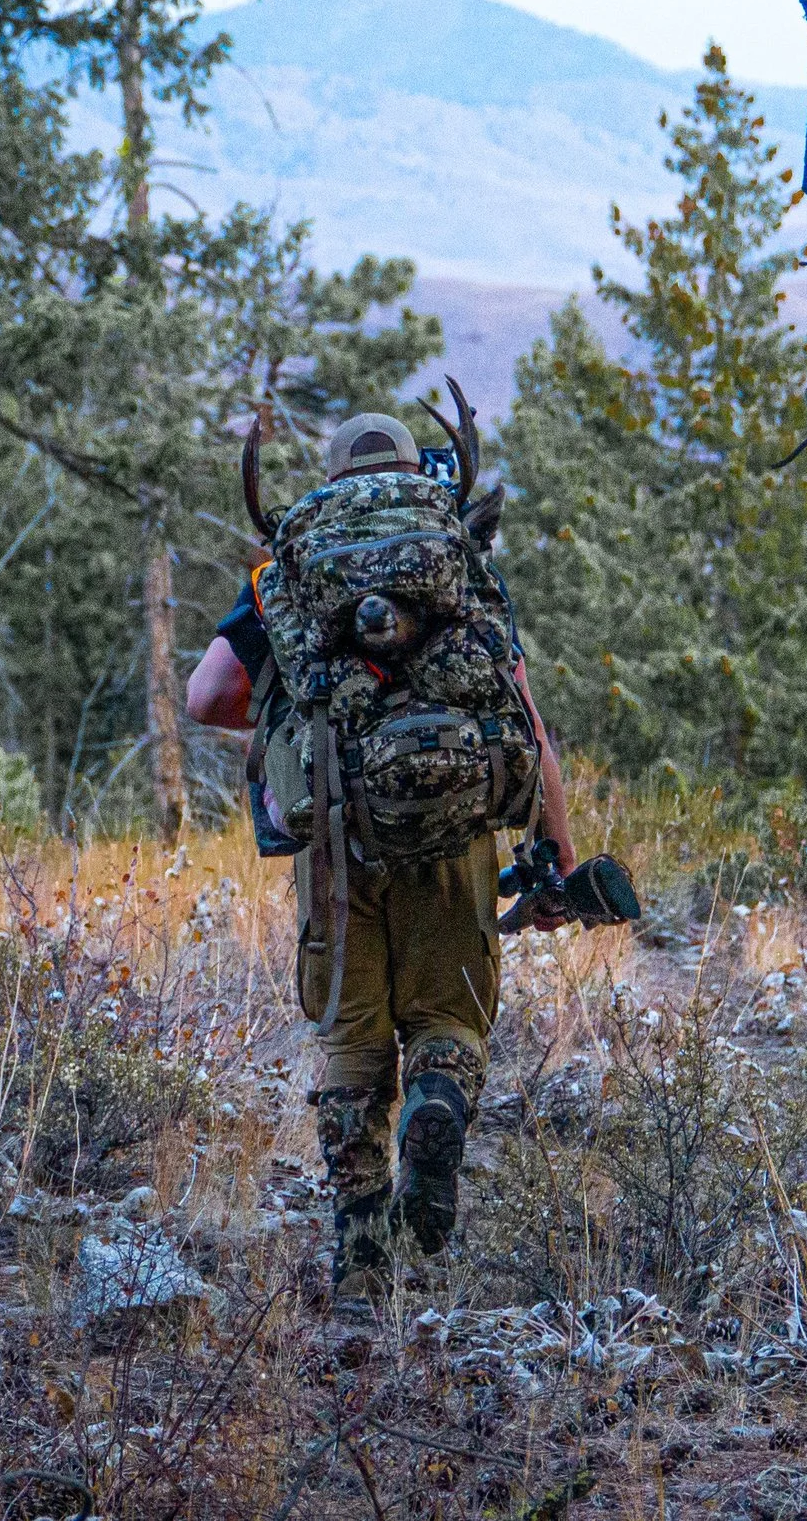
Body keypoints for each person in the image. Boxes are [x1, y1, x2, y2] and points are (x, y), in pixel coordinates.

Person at [187, 410, 576, 1306]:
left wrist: (299, 714)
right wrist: (555, 858)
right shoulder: (455, 557)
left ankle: (362, 1263)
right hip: (453, 840)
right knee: (451, 1015)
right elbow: (526, 723)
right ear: (417, 470)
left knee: (352, 1041)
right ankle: (436, 1108)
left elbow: (207, 696)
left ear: (330, 483)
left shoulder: (287, 570)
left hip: (336, 843)